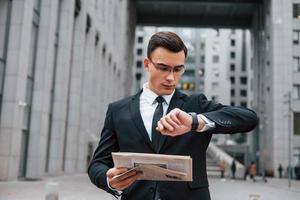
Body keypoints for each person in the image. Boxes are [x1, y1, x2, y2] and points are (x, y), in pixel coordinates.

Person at [88, 31, 258, 200]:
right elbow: (97, 164)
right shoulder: (118, 110)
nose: (171, 77)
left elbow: (249, 118)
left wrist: (195, 121)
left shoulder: (195, 105)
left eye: (178, 69)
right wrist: (110, 180)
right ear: (147, 64)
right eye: (163, 68)